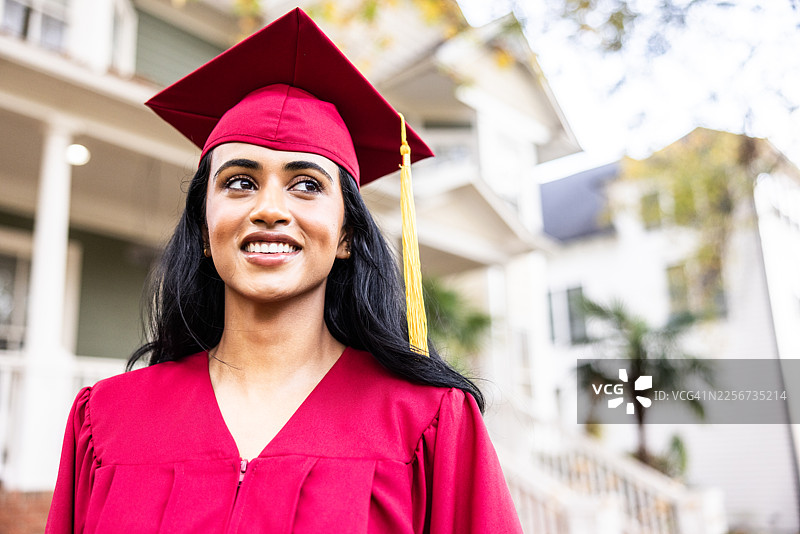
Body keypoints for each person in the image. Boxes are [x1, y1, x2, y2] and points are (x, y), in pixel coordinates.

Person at [46, 8, 523, 533]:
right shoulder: (106, 420)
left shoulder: (428, 421)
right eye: (240, 182)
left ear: (346, 235)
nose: (270, 208)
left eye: (307, 185)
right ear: (203, 229)